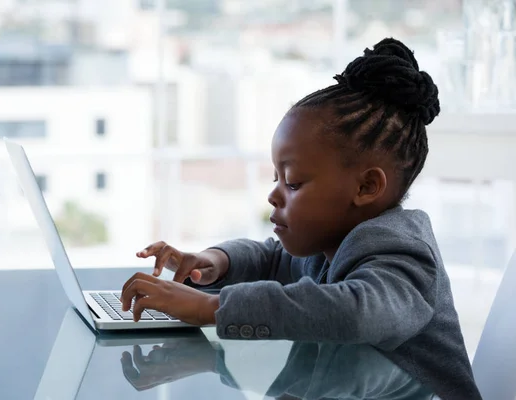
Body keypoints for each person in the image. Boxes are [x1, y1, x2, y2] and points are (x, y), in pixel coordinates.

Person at [120, 37, 482, 399]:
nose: (274, 194)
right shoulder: (327, 240)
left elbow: (354, 313)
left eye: (292, 182)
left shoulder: (402, 253)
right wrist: (213, 262)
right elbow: (273, 258)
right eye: (276, 178)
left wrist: (212, 307)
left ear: (367, 186)